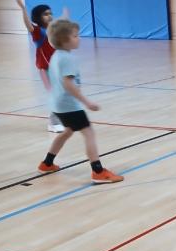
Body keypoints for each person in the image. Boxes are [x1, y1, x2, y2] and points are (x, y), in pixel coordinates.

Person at [37, 19, 124, 184]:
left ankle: (47, 163)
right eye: (75, 36)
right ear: (64, 40)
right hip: (69, 105)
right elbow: (68, 84)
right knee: (89, 133)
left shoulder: (56, 55)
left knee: (67, 131)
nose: (79, 38)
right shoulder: (68, 59)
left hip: (57, 105)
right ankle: (98, 171)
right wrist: (87, 102)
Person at [16, 0, 66, 133]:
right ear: (38, 17)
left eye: (50, 13)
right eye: (45, 14)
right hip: (45, 68)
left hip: (57, 68)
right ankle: (54, 123)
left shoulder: (53, 29)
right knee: (55, 94)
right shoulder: (38, 32)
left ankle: (58, 119)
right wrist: (23, 9)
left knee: (62, 93)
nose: (49, 16)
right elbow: (28, 25)